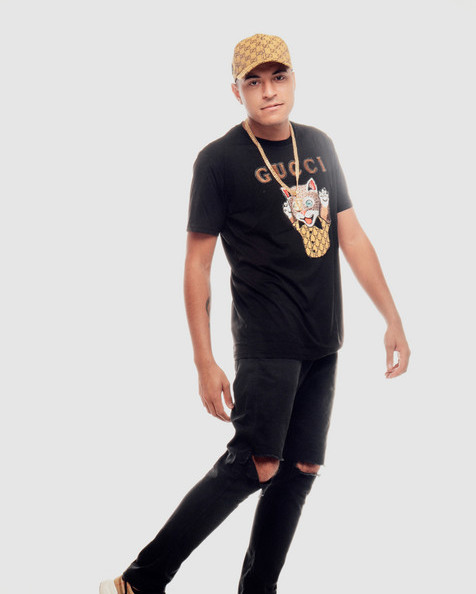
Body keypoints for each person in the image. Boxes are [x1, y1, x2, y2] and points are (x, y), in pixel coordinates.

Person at [100, 33, 410, 594]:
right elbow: (197, 265)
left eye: (279, 77)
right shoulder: (219, 160)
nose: (269, 91)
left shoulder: (319, 144)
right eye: (254, 82)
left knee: (300, 469)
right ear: (237, 91)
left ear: (293, 79)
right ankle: (138, 583)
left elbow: (352, 235)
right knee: (256, 462)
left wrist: (393, 318)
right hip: (268, 341)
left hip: (324, 339)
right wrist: (204, 360)